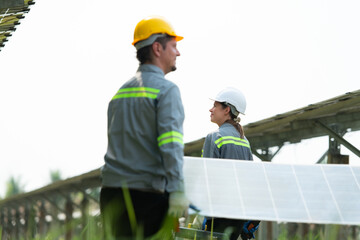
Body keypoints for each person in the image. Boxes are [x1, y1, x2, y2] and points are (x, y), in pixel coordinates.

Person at [100, 16, 189, 240]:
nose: (177, 53)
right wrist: (177, 190)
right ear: (158, 48)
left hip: (110, 195)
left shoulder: (119, 94)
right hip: (146, 199)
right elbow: (170, 145)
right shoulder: (167, 91)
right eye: (174, 46)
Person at [199, 87, 260, 240]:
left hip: (217, 214)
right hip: (239, 216)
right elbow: (249, 181)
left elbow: (207, 179)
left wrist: (205, 213)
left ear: (226, 110)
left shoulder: (214, 137)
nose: (210, 109)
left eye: (215, 106)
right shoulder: (244, 141)